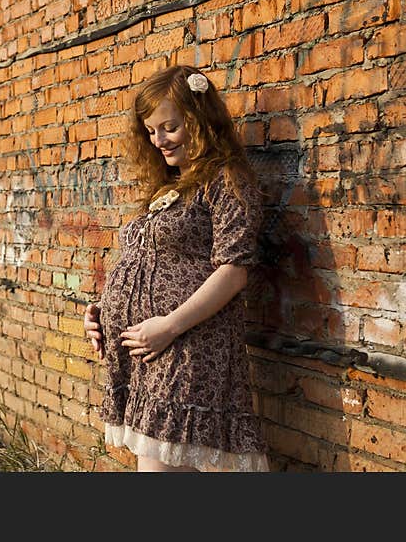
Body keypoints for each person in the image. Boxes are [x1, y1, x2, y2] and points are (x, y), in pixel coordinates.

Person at [83, 64, 269, 472]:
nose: (158, 140)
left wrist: (168, 325)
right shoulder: (170, 187)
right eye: (150, 131)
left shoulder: (227, 180)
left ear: (200, 120)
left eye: (169, 127)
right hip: (152, 354)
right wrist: (102, 309)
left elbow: (235, 270)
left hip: (188, 350)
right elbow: (148, 260)